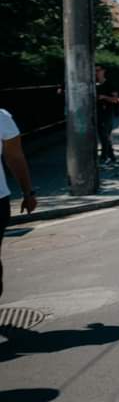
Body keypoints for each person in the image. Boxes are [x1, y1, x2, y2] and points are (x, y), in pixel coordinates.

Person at [1, 108, 36, 298]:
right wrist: (28, 193)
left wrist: (28, 192)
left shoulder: (2, 117)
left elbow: (15, 157)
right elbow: (14, 157)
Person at [95, 65, 119, 165]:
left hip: (107, 112)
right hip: (97, 112)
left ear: (103, 71)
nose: (96, 72)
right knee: (103, 134)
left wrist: (103, 97)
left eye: (98, 70)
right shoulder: (94, 84)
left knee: (104, 134)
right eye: (95, 70)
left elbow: (115, 99)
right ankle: (111, 156)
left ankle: (104, 157)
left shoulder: (109, 84)